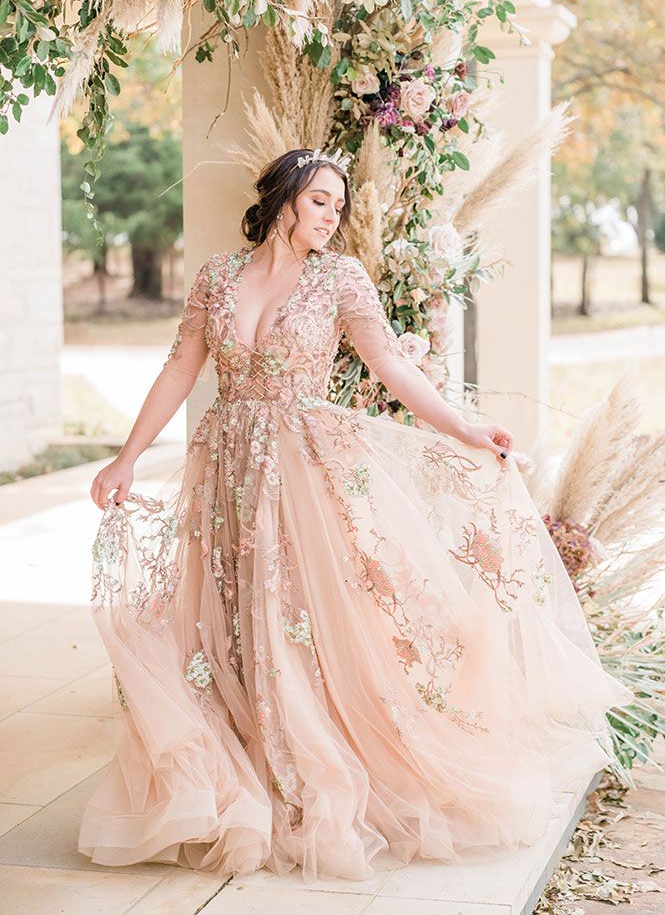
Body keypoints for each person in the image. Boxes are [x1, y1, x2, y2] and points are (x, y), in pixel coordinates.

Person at [79, 147, 635, 884]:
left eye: (339, 205)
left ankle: (311, 763)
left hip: (305, 473)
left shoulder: (340, 278)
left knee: (300, 619)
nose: (332, 215)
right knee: (225, 618)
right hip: (226, 469)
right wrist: (125, 457)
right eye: (320, 201)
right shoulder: (216, 277)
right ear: (282, 199)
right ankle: (244, 763)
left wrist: (463, 428)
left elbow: (392, 368)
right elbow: (180, 369)